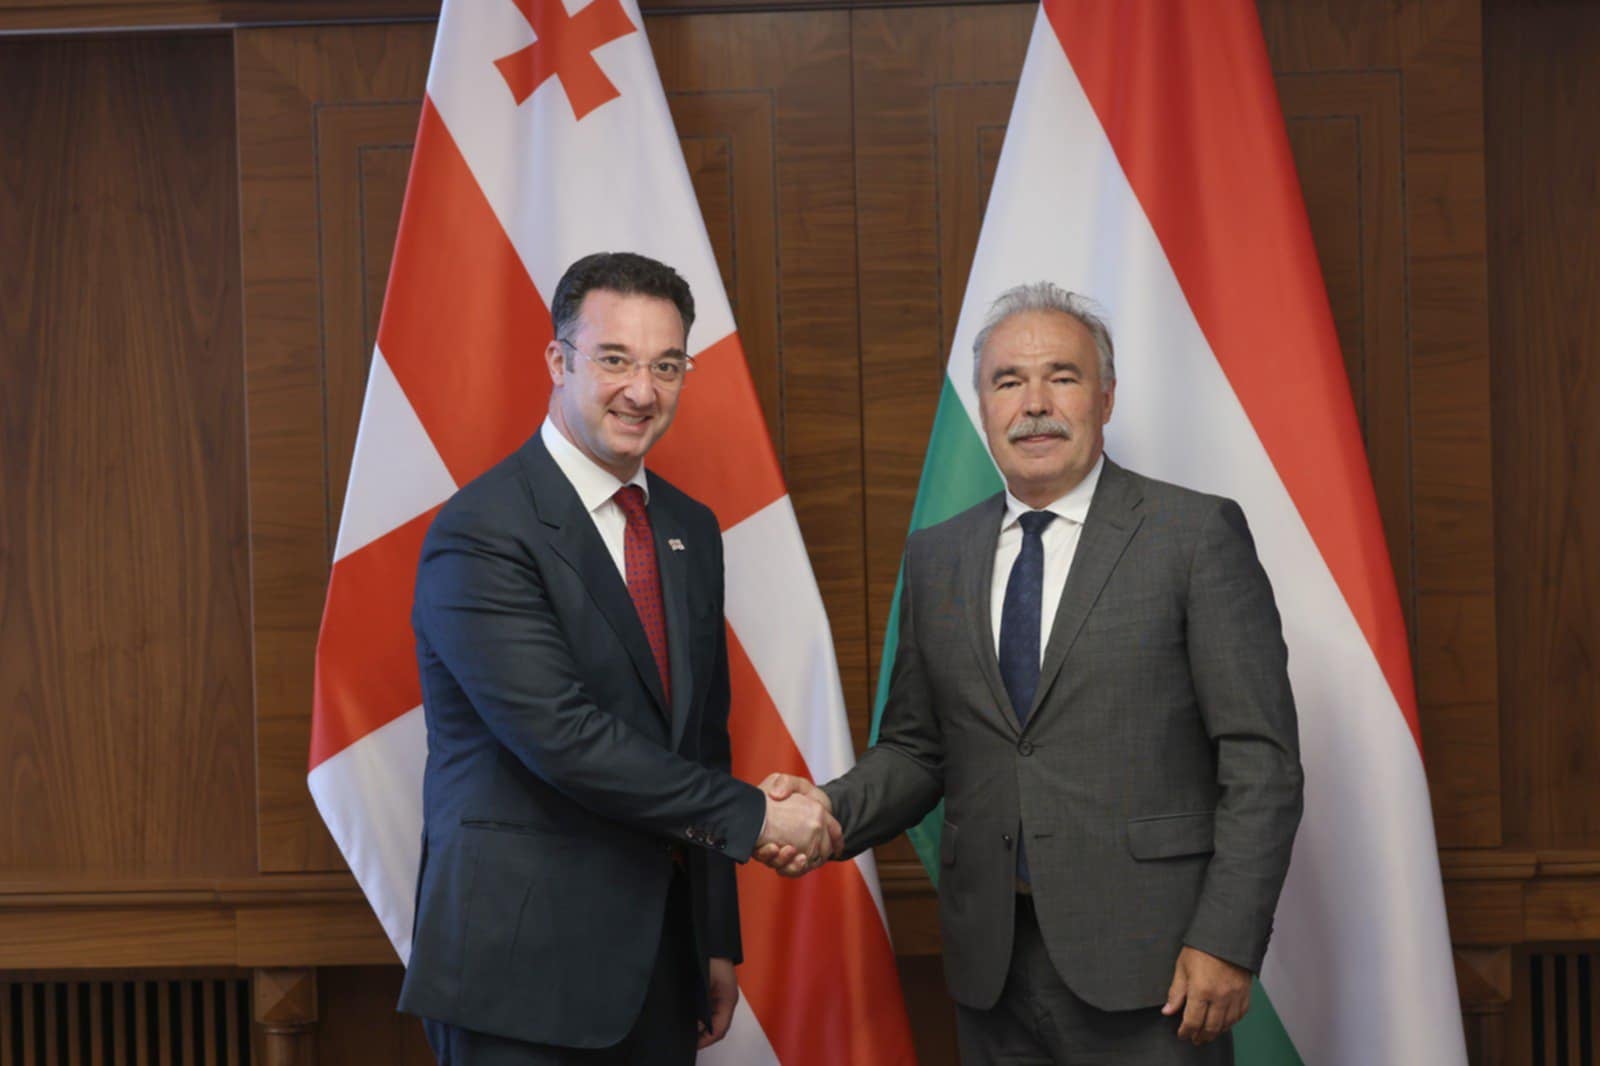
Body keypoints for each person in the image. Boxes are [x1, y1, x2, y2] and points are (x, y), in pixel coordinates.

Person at [762, 283, 1304, 1063]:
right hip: (991, 968)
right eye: (1008, 381)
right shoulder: (938, 555)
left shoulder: (1193, 535)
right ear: (983, 407)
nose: (1035, 404)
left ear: (1105, 397)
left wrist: (1227, 939)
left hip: (1155, 969)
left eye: (1063, 376)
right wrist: (827, 810)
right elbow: (917, 748)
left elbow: (1262, 762)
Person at [398, 251, 838, 1065]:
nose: (642, 390)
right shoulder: (483, 531)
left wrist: (713, 938)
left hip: (660, 968)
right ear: (557, 361)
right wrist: (757, 818)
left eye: (666, 365)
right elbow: (562, 736)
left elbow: (700, 740)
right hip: (521, 979)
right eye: (614, 359)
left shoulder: (688, 527)